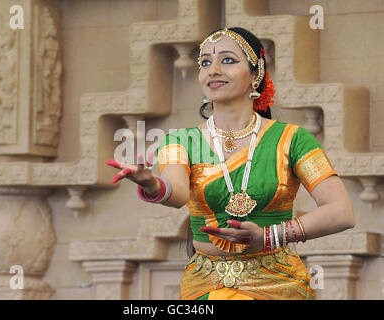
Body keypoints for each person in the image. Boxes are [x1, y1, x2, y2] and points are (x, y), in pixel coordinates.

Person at [106, 27, 355, 300]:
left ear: (256, 73)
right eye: (204, 63)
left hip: (279, 284)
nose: (213, 70)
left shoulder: (292, 139)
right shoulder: (181, 140)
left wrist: (268, 236)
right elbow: (176, 194)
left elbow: (341, 212)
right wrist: (152, 183)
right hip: (205, 288)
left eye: (227, 60)